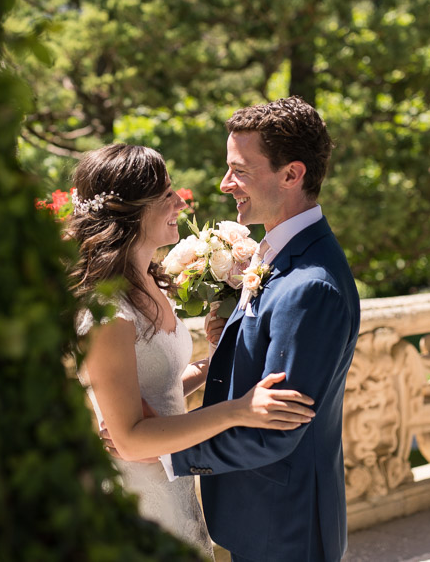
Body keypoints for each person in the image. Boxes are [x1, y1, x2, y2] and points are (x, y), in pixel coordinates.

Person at [70, 143, 317, 558]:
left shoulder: (149, 281)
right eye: (166, 194)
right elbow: (129, 440)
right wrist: (239, 410)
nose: (181, 203)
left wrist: (212, 360)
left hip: (171, 485)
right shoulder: (108, 313)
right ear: (132, 210)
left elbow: (159, 393)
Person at [168, 96, 361, 562]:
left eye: (240, 170)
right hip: (260, 515)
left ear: (292, 174)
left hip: (286, 527)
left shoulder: (311, 285)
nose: (224, 183)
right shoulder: (278, 253)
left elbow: (273, 431)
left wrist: (163, 453)